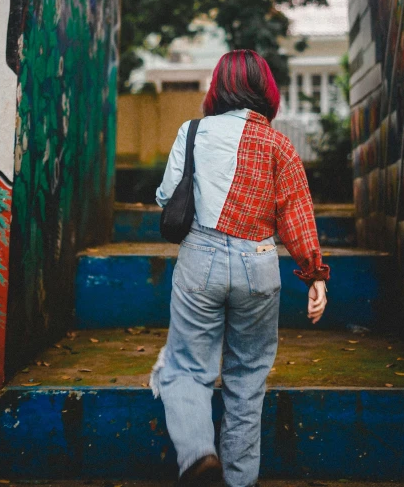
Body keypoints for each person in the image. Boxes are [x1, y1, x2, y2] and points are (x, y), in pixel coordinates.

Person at [151, 50, 329, 487]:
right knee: (247, 379)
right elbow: (297, 213)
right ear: (266, 89)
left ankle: (198, 456)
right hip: (260, 264)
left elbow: (166, 197)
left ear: (217, 86)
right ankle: (239, 481)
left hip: (201, 260)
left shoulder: (192, 131)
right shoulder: (278, 143)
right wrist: (315, 276)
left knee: (185, 368)